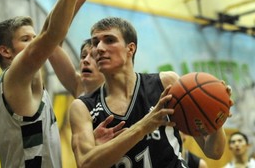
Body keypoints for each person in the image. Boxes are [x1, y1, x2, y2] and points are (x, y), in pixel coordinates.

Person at [0, 0, 107, 167]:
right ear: (6, 52)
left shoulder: (18, 83)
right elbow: (50, 36)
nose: (35, 44)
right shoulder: (15, 77)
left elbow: (50, 35)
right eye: (26, 39)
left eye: (34, 39)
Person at [69, 16, 232, 168]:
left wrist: (214, 114)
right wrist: (145, 125)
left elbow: (214, 152)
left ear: (130, 48)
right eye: (96, 42)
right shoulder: (82, 107)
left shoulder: (165, 83)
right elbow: (85, 164)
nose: (100, 48)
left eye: (110, 40)